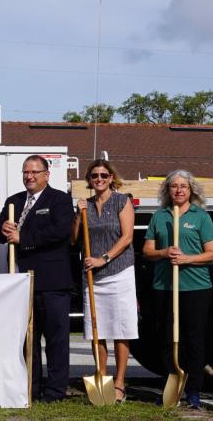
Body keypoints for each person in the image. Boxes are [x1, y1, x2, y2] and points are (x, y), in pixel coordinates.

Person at [0, 155, 73, 403]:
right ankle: (32, 387)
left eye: (34, 172)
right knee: (29, 339)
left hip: (52, 281)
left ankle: (55, 391)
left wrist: (23, 237)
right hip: (22, 282)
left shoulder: (59, 199)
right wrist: (3, 230)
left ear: (46, 174)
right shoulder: (14, 201)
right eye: (25, 172)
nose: (29, 176)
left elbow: (60, 231)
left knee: (55, 339)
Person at [142, 169, 213, 409]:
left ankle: (194, 389)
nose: (178, 190)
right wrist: (164, 253)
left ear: (191, 190)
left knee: (193, 339)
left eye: (183, 186)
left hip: (195, 287)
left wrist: (187, 259)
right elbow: (147, 251)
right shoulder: (160, 216)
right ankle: (170, 382)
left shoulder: (200, 217)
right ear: (168, 190)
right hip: (165, 286)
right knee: (165, 337)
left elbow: (212, 254)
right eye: (174, 186)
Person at [73, 158, 138, 402]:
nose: (99, 179)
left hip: (119, 272)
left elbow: (127, 237)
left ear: (111, 178)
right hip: (92, 276)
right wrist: (79, 216)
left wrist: (104, 258)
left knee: (121, 329)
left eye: (103, 175)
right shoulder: (85, 205)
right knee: (96, 330)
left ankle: (120, 382)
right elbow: (74, 238)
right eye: (94, 176)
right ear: (89, 180)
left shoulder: (123, 201)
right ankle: (102, 375)